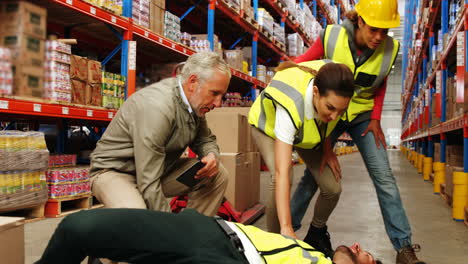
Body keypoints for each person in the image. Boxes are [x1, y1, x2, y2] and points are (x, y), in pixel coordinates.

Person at [289, 1, 425, 263]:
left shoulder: (389, 49)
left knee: (384, 177)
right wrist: (325, 144)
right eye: (374, 29)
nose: (379, 37)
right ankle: (285, 232)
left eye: (385, 31)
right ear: (360, 20)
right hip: (330, 114)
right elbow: (300, 67)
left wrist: (375, 119)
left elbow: (381, 84)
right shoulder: (331, 37)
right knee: (313, 176)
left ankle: (404, 249)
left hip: (363, 116)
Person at [89, 51, 229, 216]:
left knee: (217, 174)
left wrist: (211, 155)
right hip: (116, 173)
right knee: (140, 217)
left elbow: (205, 139)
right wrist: (167, 227)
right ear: (193, 82)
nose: (218, 103)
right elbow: (149, 181)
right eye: (214, 93)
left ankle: (191, 233)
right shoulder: (157, 108)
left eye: (222, 95)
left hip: (158, 169)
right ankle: (166, 235)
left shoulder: (194, 104)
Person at [248, 60, 356, 257]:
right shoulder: (291, 105)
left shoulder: (338, 90)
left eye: (340, 111)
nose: (335, 116)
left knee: (332, 188)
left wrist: (327, 149)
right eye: (330, 108)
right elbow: (281, 173)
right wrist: (287, 228)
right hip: (269, 128)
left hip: (306, 133)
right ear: (315, 92)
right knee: (283, 177)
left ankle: (316, 234)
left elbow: (328, 122)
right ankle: (275, 244)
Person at [35, 208, 382, 264]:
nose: (358, 248)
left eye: (367, 258)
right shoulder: (310, 251)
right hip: (208, 231)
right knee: (77, 227)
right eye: (362, 249)